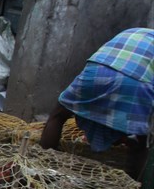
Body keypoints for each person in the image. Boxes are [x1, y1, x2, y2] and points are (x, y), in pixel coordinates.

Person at [41, 28, 153, 179]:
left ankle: (42, 168)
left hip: (98, 71)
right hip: (136, 83)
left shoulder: (136, 31)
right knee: (142, 142)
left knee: (58, 115)